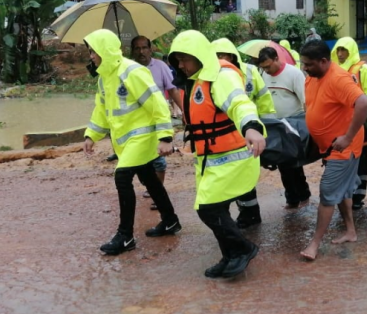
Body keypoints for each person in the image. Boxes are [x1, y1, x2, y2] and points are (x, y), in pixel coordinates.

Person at [168, 30, 266, 278]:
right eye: (178, 60)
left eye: (185, 59)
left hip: (232, 157)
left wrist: (252, 127)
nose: (181, 65)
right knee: (213, 207)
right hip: (209, 160)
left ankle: (243, 249)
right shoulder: (197, 79)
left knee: (208, 209)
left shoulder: (221, 77)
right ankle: (230, 255)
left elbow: (239, 103)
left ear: (200, 56)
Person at [81, 29, 181, 256]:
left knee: (122, 177)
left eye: (93, 51)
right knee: (148, 178)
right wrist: (91, 135)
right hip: (125, 142)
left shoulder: (132, 71)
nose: (91, 56)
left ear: (104, 50)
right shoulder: (105, 77)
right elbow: (101, 110)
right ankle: (170, 221)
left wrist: (165, 136)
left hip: (142, 138)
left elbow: (157, 103)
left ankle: (125, 236)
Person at [299, 40, 367, 261]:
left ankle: (314, 244)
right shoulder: (313, 76)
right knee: (341, 190)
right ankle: (350, 231)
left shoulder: (338, 78)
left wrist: (348, 137)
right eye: (303, 63)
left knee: (328, 192)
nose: (304, 68)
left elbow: (364, 102)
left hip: (344, 149)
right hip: (328, 147)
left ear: (323, 61)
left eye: (309, 64)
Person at [211, 38, 277, 228]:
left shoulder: (250, 71)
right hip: (226, 134)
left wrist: (268, 126)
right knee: (231, 175)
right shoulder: (212, 75)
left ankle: (250, 214)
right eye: (215, 56)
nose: (219, 59)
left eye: (222, 55)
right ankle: (243, 214)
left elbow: (264, 98)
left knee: (245, 175)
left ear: (231, 55)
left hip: (250, 131)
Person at [125, 36, 184, 208]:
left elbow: (172, 90)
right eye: (137, 48)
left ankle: (157, 192)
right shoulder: (127, 69)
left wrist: (184, 112)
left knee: (158, 158)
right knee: (140, 157)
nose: (141, 51)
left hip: (158, 120)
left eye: (144, 47)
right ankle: (151, 186)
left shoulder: (160, 66)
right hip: (136, 122)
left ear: (150, 49)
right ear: (132, 51)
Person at [257, 46, 310, 208]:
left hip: (293, 126)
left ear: (276, 59)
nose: (266, 70)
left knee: (294, 162)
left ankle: (303, 195)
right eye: (263, 67)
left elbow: (305, 100)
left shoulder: (294, 74)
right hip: (274, 126)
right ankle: (292, 198)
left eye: (268, 66)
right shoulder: (263, 74)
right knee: (281, 163)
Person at [331, 36, 367, 210]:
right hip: (340, 124)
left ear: (351, 50)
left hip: (360, 123)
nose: (340, 53)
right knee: (342, 159)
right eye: (338, 50)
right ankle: (344, 195)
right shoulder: (334, 70)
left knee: (362, 159)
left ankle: (358, 196)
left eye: (344, 50)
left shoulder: (363, 69)